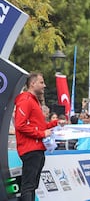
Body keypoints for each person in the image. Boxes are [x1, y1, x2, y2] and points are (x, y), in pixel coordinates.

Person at [14, 72, 65, 201]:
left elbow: (39, 126)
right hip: (31, 149)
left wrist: (55, 124)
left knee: (31, 186)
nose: (44, 85)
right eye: (41, 82)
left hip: (36, 149)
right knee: (29, 186)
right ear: (32, 84)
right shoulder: (25, 100)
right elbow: (20, 125)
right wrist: (41, 134)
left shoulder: (33, 101)